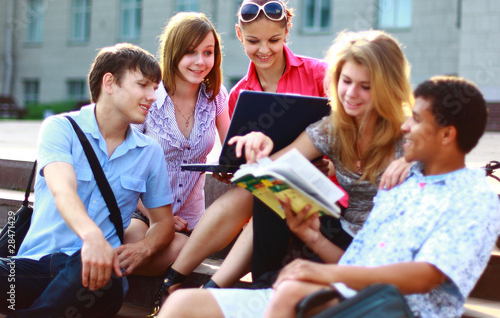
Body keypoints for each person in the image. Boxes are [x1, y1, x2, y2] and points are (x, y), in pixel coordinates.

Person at [159, 75, 500, 318]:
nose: (405, 127)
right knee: (182, 307)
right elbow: (355, 265)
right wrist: (313, 238)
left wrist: (325, 275)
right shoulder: (401, 184)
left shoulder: (474, 198)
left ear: (447, 134)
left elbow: (425, 276)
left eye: (416, 119)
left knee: (291, 292)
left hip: (386, 309)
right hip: (334, 297)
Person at [158, 28, 416, 317]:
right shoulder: (334, 127)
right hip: (342, 231)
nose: (351, 94)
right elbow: (281, 162)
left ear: (387, 87)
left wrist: (413, 159)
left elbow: (440, 171)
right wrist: (261, 149)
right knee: (273, 187)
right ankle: (263, 286)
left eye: (365, 86)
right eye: (346, 82)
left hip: (380, 248)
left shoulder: (408, 136)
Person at [153, 0, 342, 301]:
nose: (264, 50)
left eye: (274, 40)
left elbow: (346, 133)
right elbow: (239, 159)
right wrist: (232, 169)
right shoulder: (240, 94)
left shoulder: (320, 74)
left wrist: (332, 162)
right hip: (275, 195)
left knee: (265, 187)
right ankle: (185, 285)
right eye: (253, 41)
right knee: (263, 186)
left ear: (286, 33)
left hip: (324, 195)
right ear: (239, 35)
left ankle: (185, 286)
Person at [0, 43, 177, 317]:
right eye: (143, 85)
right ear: (109, 82)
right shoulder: (60, 129)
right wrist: (92, 236)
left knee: (99, 271)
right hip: (33, 266)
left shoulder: (149, 152)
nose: (153, 95)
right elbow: (63, 190)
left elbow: (164, 222)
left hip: (95, 276)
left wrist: (143, 248)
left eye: (155, 87)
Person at [125, 12, 229, 275]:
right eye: (190, 52)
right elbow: (121, 166)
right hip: (142, 210)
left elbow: (231, 150)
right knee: (131, 245)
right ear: (173, 53)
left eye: (208, 52)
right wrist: (159, 217)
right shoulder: (148, 96)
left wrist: (229, 165)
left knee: (181, 246)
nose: (200, 61)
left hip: (190, 220)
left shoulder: (215, 97)